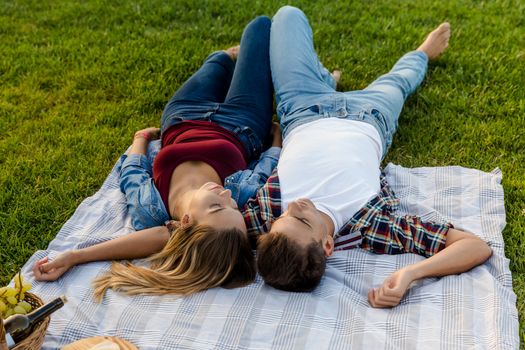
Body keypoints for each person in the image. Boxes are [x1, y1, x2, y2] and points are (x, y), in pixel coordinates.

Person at [242, 6, 492, 307]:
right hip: (370, 115)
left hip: (303, 107)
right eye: (303, 220)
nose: (295, 206)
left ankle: (323, 80)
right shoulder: (372, 225)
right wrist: (411, 274)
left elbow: (182, 233)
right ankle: (423, 53)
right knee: (400, 81)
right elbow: (475, 246)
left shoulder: (265, 214)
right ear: (328, 245)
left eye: (283, 217)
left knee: (288, 15)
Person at [32, 16, 282, 299]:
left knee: (219, 61)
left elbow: (132, 173)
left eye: (216, 207)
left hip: (183, 114)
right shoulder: (238, 194)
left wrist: (139, 140)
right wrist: (276, 139)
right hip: (243, 121)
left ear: (185, 221)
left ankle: (227, 60)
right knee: (260, 26)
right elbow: (264, 170)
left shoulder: (153, 209)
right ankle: (240, 61)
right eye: (234, 209)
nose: (226, 195)